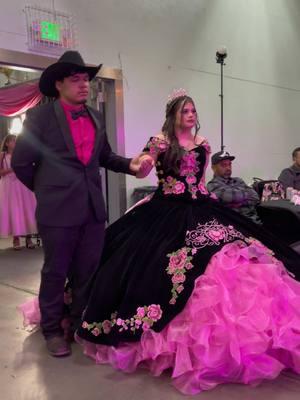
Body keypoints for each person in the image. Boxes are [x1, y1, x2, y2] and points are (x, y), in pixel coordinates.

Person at [19, 90, 300, 394]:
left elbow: (200, 181)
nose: (191, 115)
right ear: (173, 115)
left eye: (193, 110)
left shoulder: (203, 145)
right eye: (185, 111)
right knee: (146, 264)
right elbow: (144, 166)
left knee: (233, 251)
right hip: (165, 209)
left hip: (201, 205)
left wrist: (205, 195)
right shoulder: (160, 141)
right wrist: (142, 162)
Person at [12, 51, 153, 357]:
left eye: (86, 79)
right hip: (57, 210)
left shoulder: (96, 117)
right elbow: (21, 162)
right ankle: (52, 330)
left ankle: (79, 324)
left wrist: (132, 165)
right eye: (76, 80)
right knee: (55, 271)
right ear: (59, 84)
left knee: (88, 270)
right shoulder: (40, 117)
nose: (84, 85)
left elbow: (104, 157)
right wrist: (47, 190)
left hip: (92, 209)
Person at [0, 134, 37, 249]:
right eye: (12, 141)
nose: (15, 143)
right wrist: (12, 169)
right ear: (7, 143)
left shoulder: (22, 155)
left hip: (22, 184)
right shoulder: (2, 156)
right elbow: (0, 172)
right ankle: (16, 240)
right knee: (14, 210)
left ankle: (29, 238)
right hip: (9, 186)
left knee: (27, 209)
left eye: (16, 141)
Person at [207, 151, 261, 224]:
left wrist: (236, 202)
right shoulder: (212, 185)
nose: (228, 168)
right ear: (213, 168)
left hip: (255, 222)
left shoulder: (238, 180)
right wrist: (246, 197)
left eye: (229, 164)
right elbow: (233, 197)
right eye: (223, 165)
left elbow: (255, 197)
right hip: (237, 225)